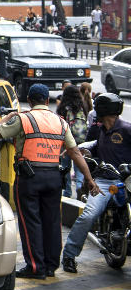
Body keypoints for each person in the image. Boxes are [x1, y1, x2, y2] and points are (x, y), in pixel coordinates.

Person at [0, 84, 98, 279]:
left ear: (30, 101)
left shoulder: (24, 119)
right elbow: (74, 152)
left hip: (29, 178)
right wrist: (89, 179)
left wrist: (8, 116)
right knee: (52, 221)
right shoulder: (61, 122)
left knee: (30, 222)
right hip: (53, 178)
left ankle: (35, 267)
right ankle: (50, 266)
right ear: (47, 101)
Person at [61, 93, 131, 273]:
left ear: (102, 110)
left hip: (127, 181)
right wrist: (81, 149)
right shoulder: (99, 130)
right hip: (104, 182)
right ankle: (69, 255)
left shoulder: (126, 129)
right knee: (88, 215)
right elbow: (94, 144)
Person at [55, 85, 88, 198]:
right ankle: (79, 188)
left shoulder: (63, 108)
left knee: (66, 168)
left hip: (66, 142)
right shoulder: (82, 107)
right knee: (79, 167)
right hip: (81, 141)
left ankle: (68, 192)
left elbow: (59, 125)